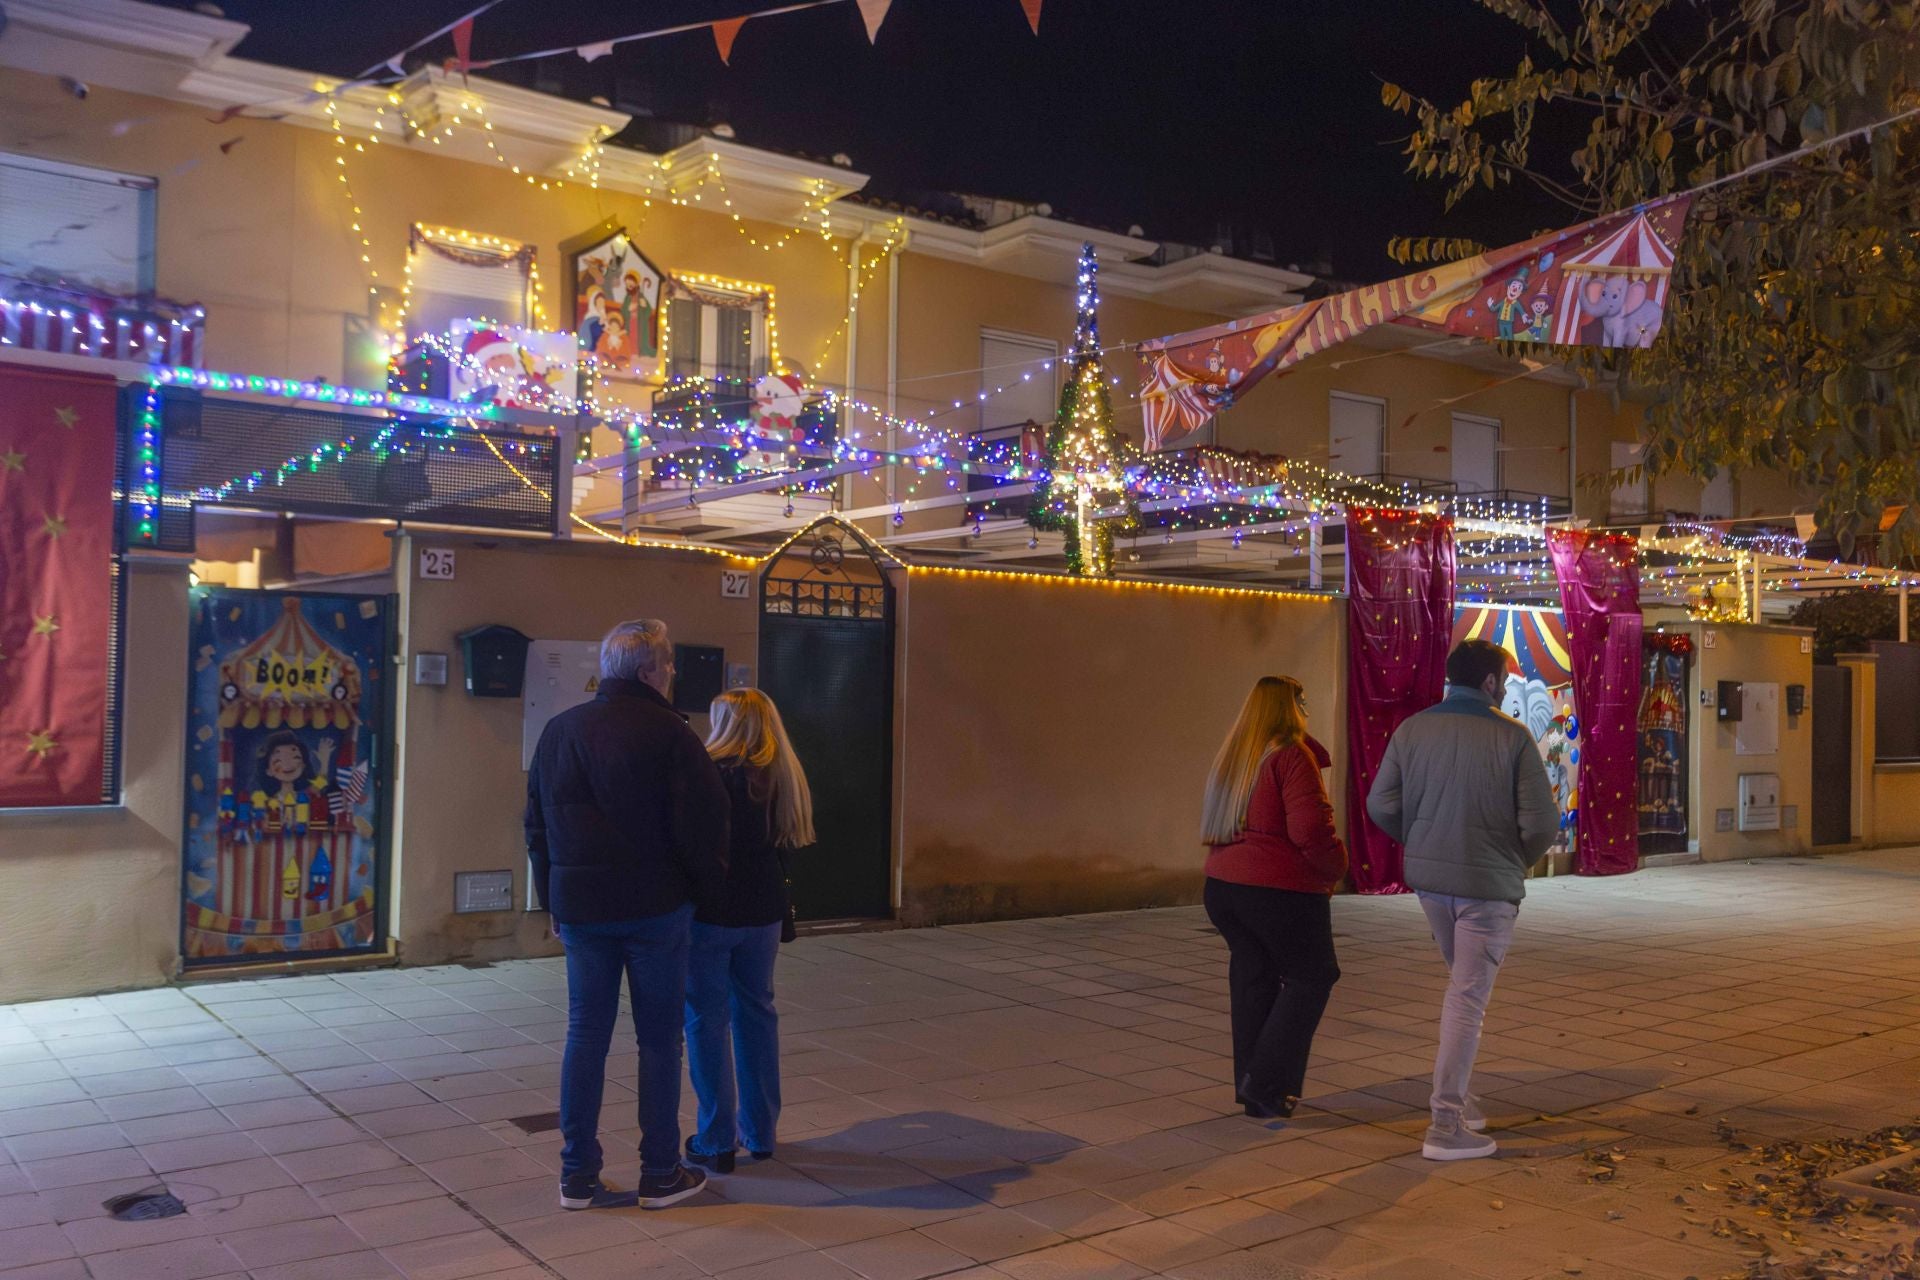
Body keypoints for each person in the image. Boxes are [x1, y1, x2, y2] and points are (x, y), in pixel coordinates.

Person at [525, 619, 729, 1210]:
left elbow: (536, 825)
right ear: (649, 671)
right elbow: (704, 825)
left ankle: (577, 1175)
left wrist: (553, 897)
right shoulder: (671, 733)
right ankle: (660, 1171)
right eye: (667, 666)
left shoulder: (560, 731)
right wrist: (701, 896)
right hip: (656, 910)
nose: (670, 676)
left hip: (583, 910)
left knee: (585, 1034)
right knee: (659, 1042)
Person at [1366, 639, 1558, 1162]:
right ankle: (1445, 1123)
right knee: (1467, 1001)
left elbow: (1380, 802)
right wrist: (1514, 857)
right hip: (1487, 888)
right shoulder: (1512, 738)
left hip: (1430, 882)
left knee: (1461, 989)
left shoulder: (1413, 729)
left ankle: (1467, 1103)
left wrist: (1423, 838)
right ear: (1492, 683)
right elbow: (1542, 822)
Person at [1200, 675, 1347, 1120]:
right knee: (1312, 976)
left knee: (1253, 980)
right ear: (1292, 705)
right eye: (1302, 699)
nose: (1306, 707)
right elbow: (1310, 830)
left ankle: (1254, 1093)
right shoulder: (1290, 755)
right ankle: (1266, 1081)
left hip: (1225, 888)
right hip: (1277, 889)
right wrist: (1336, 865)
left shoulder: (1235, 756)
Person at [682, 689, 815, 1173]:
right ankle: (760, 1134)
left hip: (711, 915)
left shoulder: (707, 772)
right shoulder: (786, 773)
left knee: (705, 1020)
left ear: (725, 723)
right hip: (763, 912)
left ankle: (716, 1139)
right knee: (757, 1014)